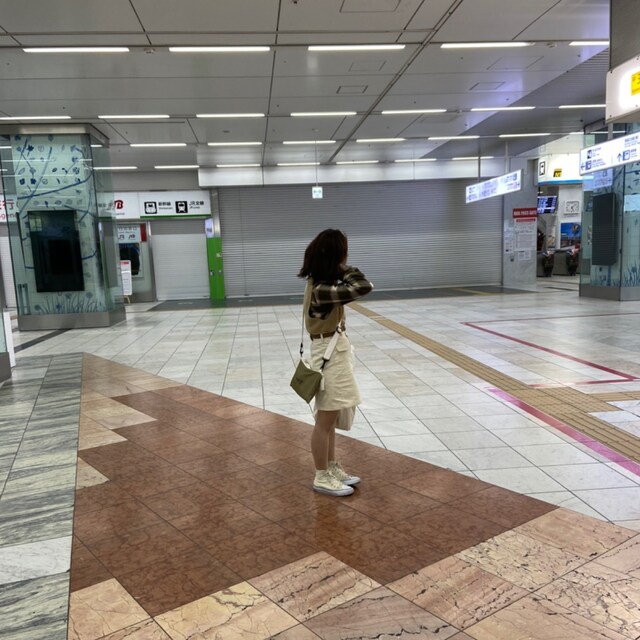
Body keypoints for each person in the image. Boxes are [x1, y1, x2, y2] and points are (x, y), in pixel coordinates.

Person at [297, 229, 373, 496]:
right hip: (329, 355)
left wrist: (334, 266)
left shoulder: (319, 282)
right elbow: (363, 286)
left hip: (331, 350)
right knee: (325, 420)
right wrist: (342, 267)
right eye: (343, 253)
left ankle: (330, 467)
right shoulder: (322, 289)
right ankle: (321, 476)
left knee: (330, 417)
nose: (346, 258)